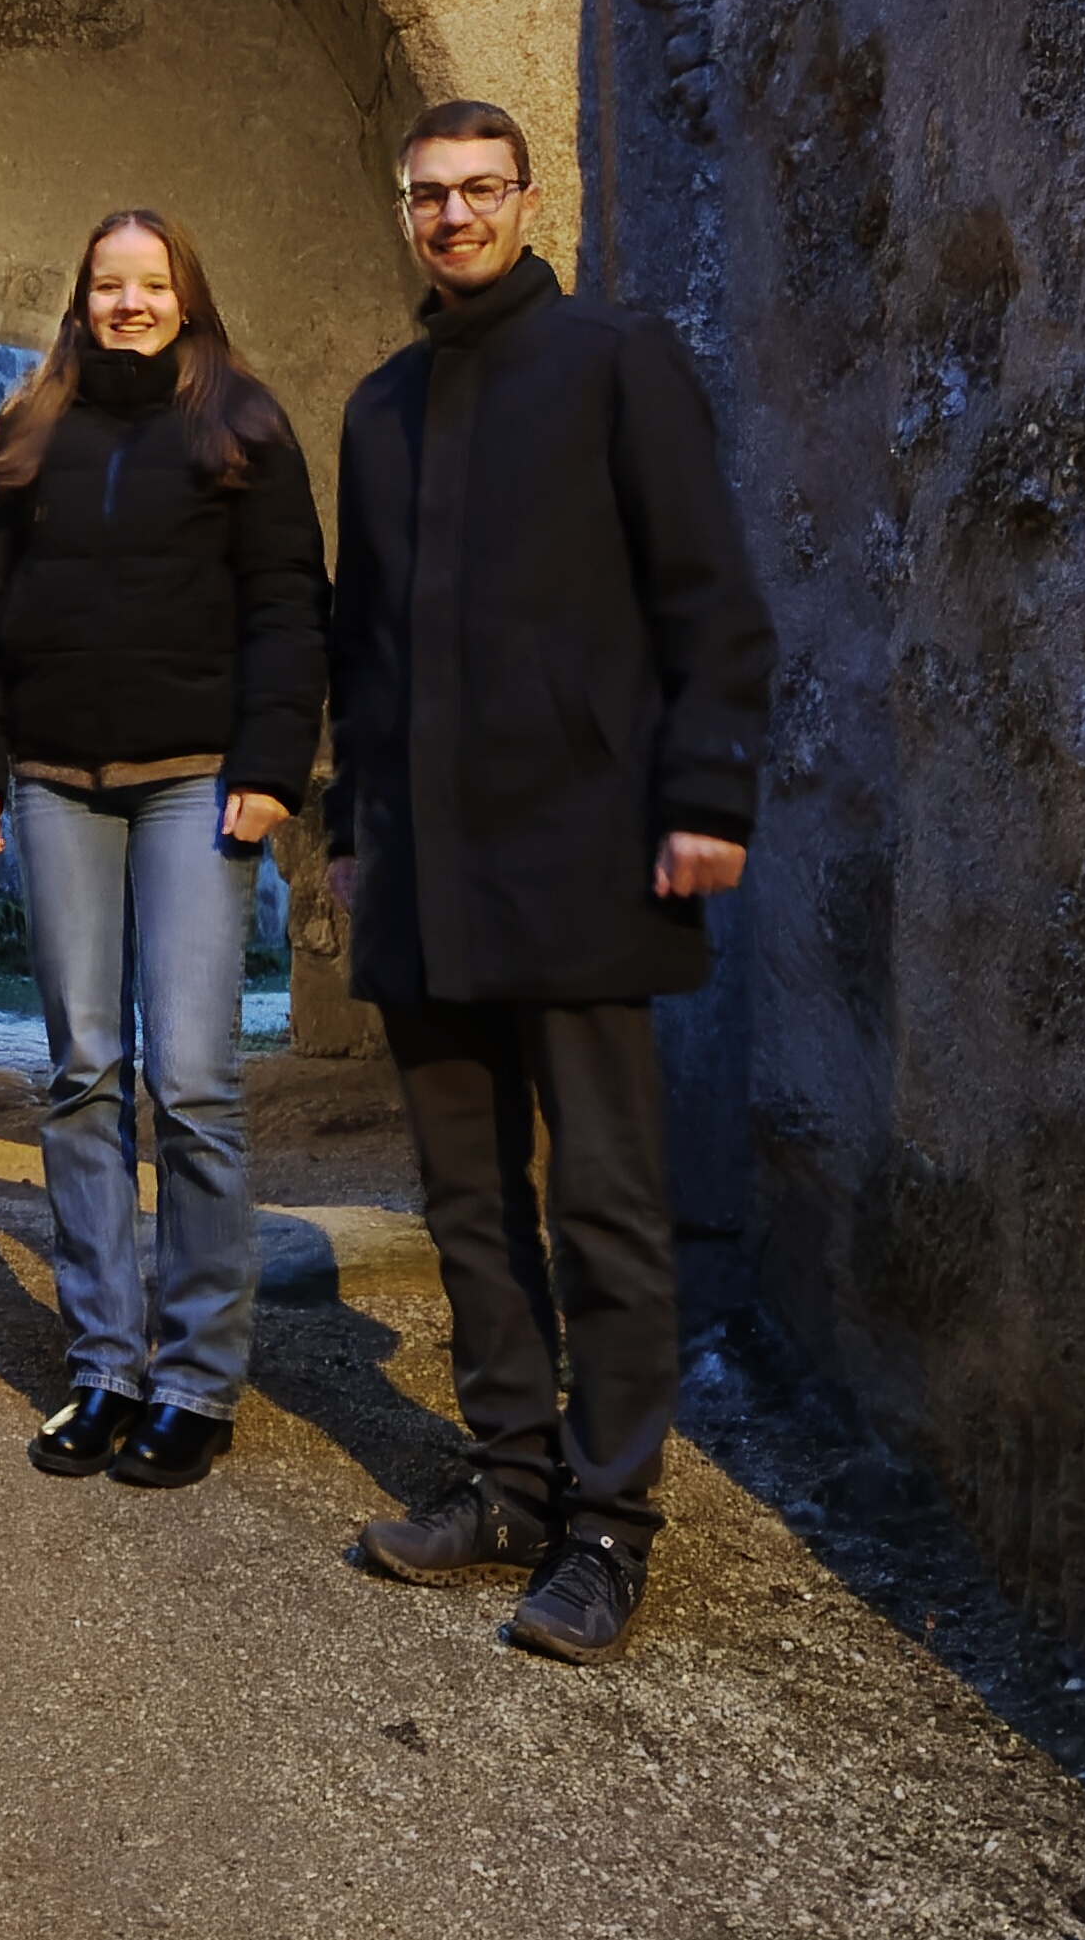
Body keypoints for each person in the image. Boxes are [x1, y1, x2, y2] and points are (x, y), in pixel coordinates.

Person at [325, 101, 776, 1658]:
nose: (452, 217)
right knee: (465, 1202)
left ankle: (610, 1522)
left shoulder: (613, 361)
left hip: (585, 847)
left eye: (478, 192)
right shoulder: (378, 411)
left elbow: (709, 595)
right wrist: (344, 835)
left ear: (526, 199)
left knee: (604, 1205)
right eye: (427, 196)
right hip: (422, 872)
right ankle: (509, 1474)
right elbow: (361, 656)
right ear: (404, 211)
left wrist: (707, 791)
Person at [0, 210, 328, 1489]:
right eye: (108, 283)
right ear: (82, 299)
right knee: (82, 1070)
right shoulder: (27, 431)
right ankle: (104, 1363)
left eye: (151, 283)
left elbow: (288, 607)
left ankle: (199, 1380)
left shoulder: (244, 427)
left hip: (195, 783)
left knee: (198, 1081)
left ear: (186, 298)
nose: (129, 302)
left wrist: (271, 767)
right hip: (53, 781)